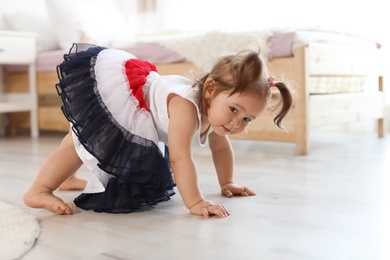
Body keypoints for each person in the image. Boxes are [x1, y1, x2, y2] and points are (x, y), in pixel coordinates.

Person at [24, 43, 294, 218]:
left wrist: (227, 183)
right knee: (81, 144)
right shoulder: (186, 109)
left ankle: (66, 178)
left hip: (141, 103)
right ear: (211, 89)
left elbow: (221, 147)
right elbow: (179, 158)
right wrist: (196, 202)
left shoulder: (215, 111)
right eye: (235, 110)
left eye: (247, 119)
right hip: (127, 99)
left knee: (83, 133)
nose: (236, 123)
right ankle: (39, 189)